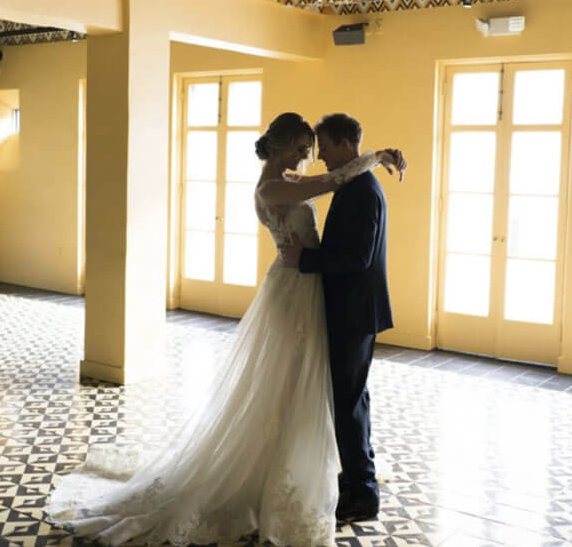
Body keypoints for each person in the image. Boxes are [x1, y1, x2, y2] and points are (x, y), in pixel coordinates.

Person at [47, 112, 405, 545]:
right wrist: (376, 155)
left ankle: (334, 474)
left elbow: (336, 196)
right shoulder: (273, 188)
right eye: (302, 150)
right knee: (299, 384)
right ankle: (305, 475)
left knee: (324, 389)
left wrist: (373, 158)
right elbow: (330, 184)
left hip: (317, 293)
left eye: (316, 151)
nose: (310, 159)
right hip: (294, 290)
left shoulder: (296, 181)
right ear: (279, 147)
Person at [279, 113, 400, 522]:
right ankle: (356, 481)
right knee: (351, 400)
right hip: (351, 308)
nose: (322, 157)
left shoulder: (364, 190)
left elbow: (356, 257)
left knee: (348, 403)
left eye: (326, 148)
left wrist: (305, 259)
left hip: (354, 310)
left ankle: (363, 493)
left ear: (346, 145)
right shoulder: (356, 181)